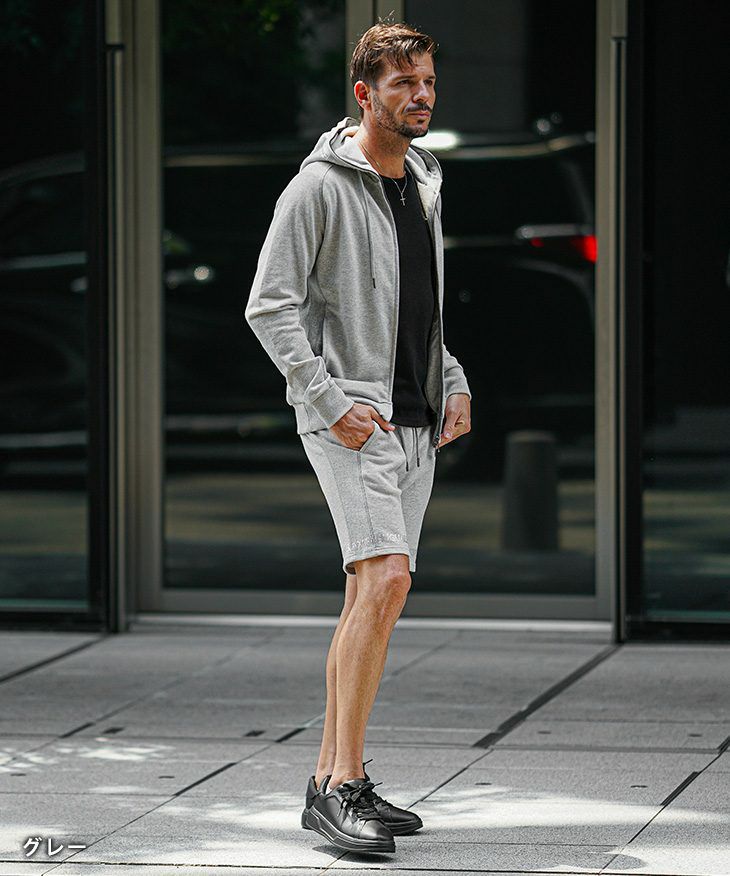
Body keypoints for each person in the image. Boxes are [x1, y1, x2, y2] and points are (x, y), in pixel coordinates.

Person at [244, 20, 471, 854]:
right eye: (404, 83)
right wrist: (328, 398)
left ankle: (332, 783)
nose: (421, 97)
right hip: (352, 419)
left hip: (413, 416)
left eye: (428, 82)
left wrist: (452, 379)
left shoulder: (424, 181)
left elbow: (421, 304)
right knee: (385, 579)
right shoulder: (317, 188)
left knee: (375, 595)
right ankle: (341, 785)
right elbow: (268, 306)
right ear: (364, 93)